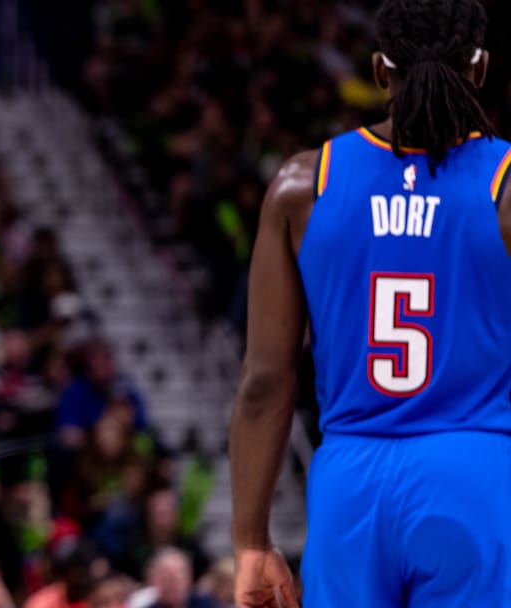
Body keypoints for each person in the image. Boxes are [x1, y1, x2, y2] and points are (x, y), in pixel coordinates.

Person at [228, 1, 511, 606]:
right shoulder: (505, 185)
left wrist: (251, 541)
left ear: (381, 70)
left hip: (350, 487)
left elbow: (265, 381)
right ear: (480, 68)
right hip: (476, 474)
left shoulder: (305, 184)